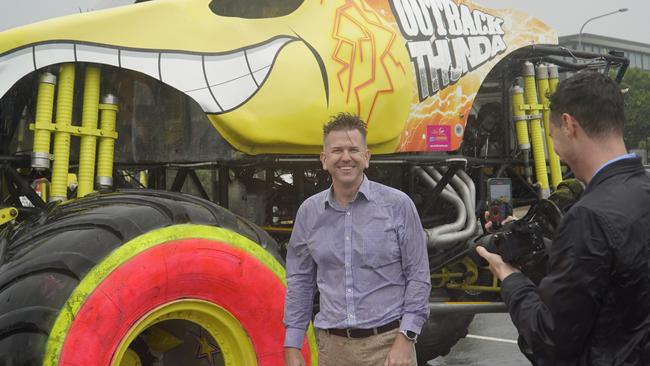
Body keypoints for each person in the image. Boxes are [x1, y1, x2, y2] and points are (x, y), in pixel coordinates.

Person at [477, 71, 650, 365]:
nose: (553, 144)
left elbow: (550, 340)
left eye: (551, 133)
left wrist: (511, 278)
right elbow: (615, 281)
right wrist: (537, 252)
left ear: (569, 125)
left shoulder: (588, 217)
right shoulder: (641, 191)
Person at [283, 113, 431, 366]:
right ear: (324, 159)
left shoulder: (398, 206)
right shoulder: (309, 213)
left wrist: (406, 340)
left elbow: (418, 276)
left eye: (353, 149)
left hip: (388, 347)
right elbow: (300, 282)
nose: (345, 157)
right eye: (337, 150)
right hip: (333, 349)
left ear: (367, 157)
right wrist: (292, 345)